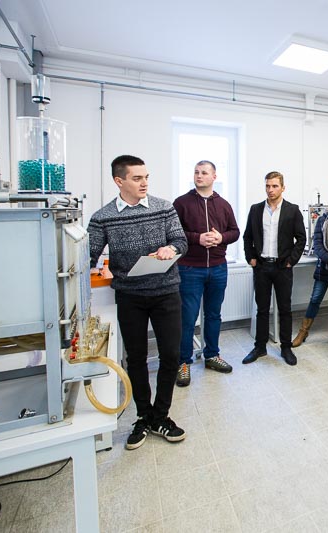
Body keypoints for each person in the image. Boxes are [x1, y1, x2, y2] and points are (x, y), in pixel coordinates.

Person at [88, 155, 188, 450]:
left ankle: (161, 415)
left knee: (170, 355)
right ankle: (144, 416)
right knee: (136, 358)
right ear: (119, 181)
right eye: (137, 178)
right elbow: (89, 254)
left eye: (146, 177)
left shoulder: (163, 208)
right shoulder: (103, 217)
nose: (144, 183)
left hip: (166, 292)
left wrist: (171, 248)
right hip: (130, 296)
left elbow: (181, 241)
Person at [173, 160, 240, 387]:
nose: (199, 176)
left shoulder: (224, 205)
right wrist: (197, 238)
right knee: (187, 318)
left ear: (214, 177)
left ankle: (211, 355)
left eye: (204, 172)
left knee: (213, 315)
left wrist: (221, 237)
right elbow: (173, 233)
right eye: (196, 172)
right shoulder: (181, 203)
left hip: (218, 268)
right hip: (190, 268)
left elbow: (235, 232)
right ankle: (183, 362)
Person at [242, 171, 306, 366]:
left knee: (285, 309)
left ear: (283, 188)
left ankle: (286, 347)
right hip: (261, 267)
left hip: (282, 267)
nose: (270, 190)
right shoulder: (256, 209)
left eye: (275, 186)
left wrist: (291, 261)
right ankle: (260, 347)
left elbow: (301, 238)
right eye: (268, 186)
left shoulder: (292, 210)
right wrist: (251, 258)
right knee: (262, 309)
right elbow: (247, 237)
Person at [292, 189, 328, 347]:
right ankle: (303, 331)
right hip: (325, 265)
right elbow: (317, 244)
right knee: (315, 298)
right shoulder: (322, 219)